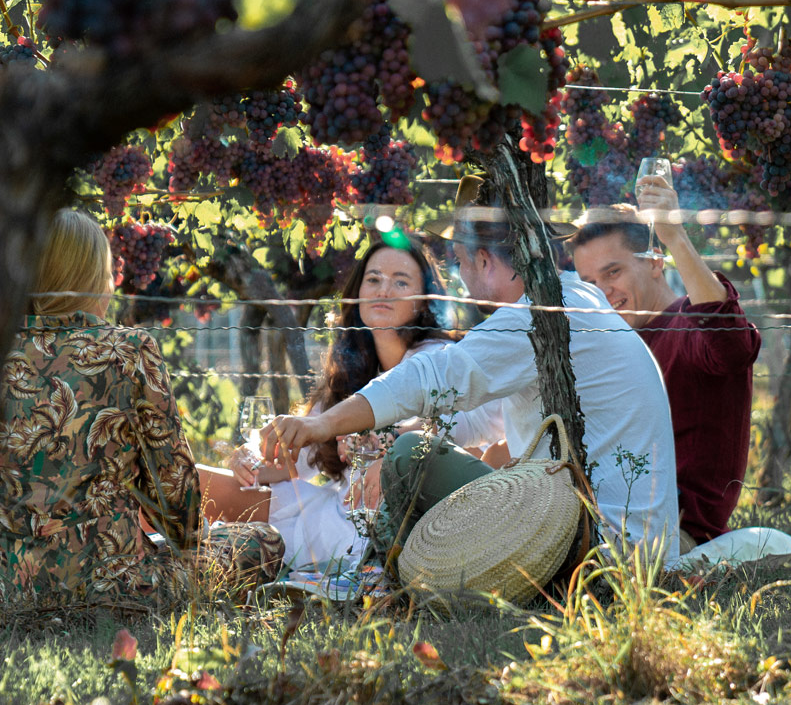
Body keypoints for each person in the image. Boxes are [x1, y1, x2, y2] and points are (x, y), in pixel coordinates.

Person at [263, 209, 682, 567]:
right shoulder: (576, 299)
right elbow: (476, 415)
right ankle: (392, 569)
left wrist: (325, 425)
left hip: (601, 553)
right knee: (416, 452)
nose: (461, 279)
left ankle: (387, 574)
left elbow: (435, 376)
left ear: (484, 261)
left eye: (461, 262)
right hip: (628, 544)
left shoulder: (539, 314)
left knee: (412, 459)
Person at [0, 209, 284, 620]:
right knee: (263, 541)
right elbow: (179, 508)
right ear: (94, 277)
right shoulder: (128, 350)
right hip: (112, 585)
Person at [194, 236, 504, 574]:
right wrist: (249, 458)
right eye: (373, 279)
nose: (383, 290)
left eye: (401, 281)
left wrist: (389, 442)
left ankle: (197, 556)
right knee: (190, 480)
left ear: (424, 302)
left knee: (238, 532)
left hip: (383, 522)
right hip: (333, 509)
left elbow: (462, 438)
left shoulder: (440, 361)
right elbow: (298, 460)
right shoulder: (350, 369)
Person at [569, 174, 761, 547]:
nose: (603, 292)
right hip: (611, 521)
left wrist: (675, 237)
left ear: (655, 261)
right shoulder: (614, 344)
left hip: (672, 535)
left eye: (613, 272)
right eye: (589, 283)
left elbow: (733, 348)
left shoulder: (686, 326)